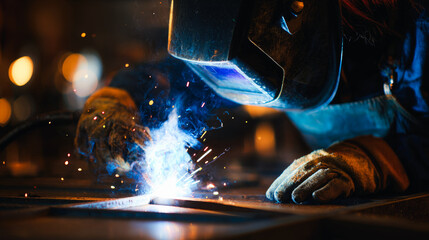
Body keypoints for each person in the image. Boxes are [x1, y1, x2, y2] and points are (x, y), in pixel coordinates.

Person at [75, 0, 429, 203]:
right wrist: (123, 96)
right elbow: (196, 72)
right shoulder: (257, 32)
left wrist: (379, 160)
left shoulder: (418, 34)